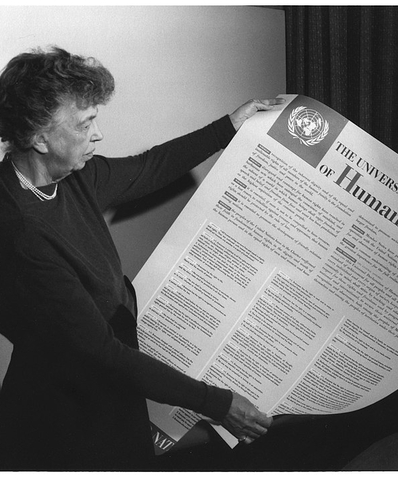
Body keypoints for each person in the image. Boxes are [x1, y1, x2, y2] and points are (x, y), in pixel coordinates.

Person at [0, 46, 284, 471]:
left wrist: (230, 125)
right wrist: (219, 404)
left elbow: (149, 167)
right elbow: (98, 352)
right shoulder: (18, 229)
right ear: (39, 138)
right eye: (85, 124)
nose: (97, 134)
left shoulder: (75, 176)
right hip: (63, 422)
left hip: (107, 394)